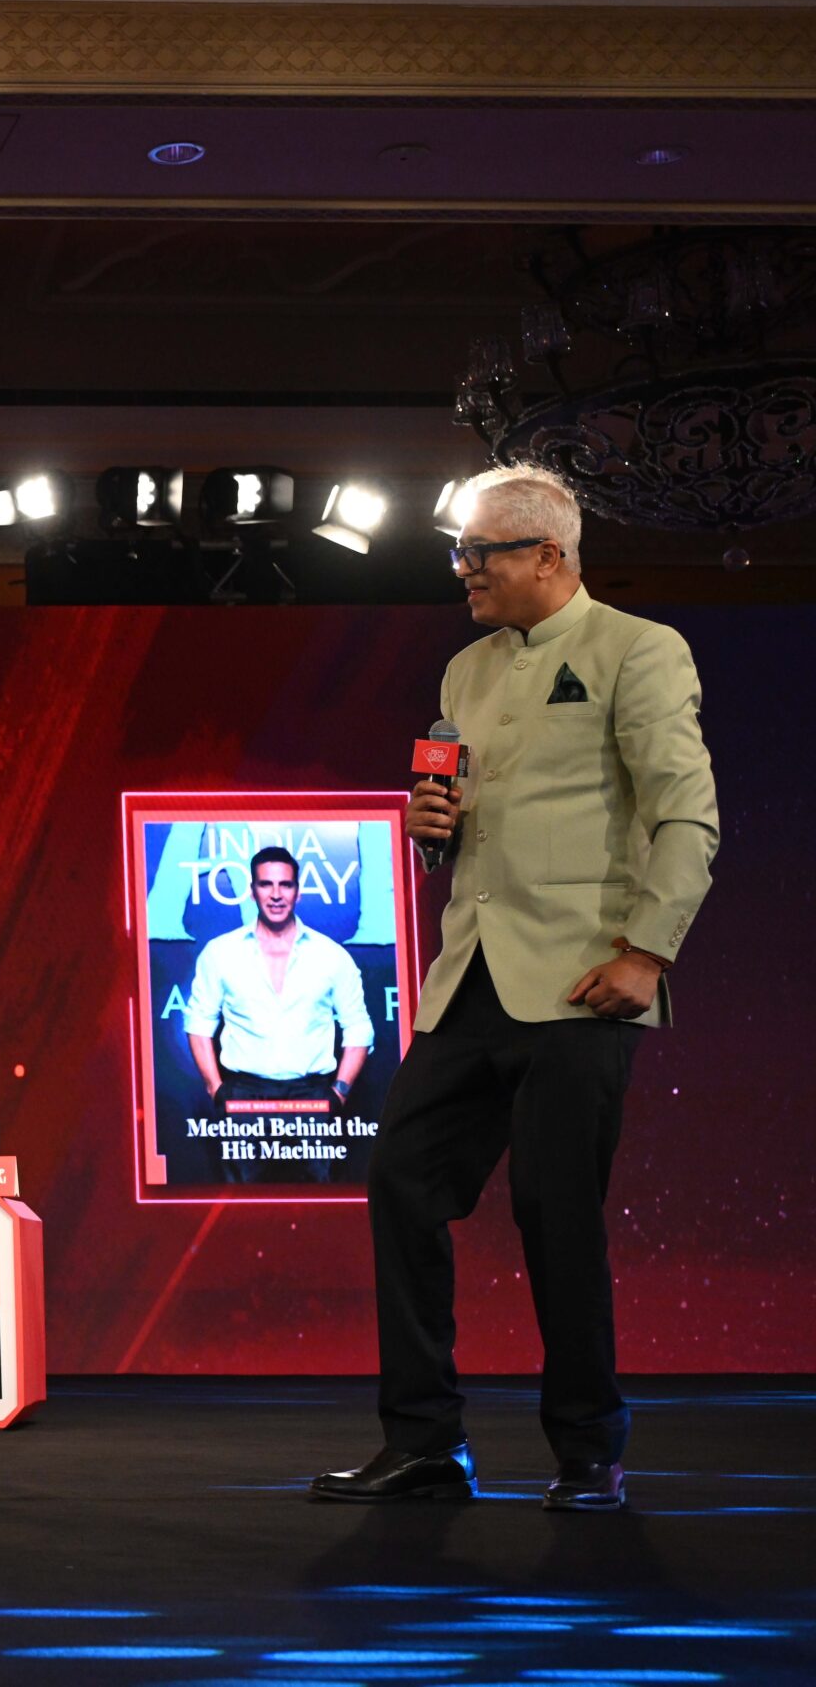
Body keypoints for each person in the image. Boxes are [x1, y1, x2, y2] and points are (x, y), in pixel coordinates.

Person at [312, 468, 718, 1513]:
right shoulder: (465, 669)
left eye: (479, 552)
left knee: (555, 1211)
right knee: (402, 1182)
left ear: (547, 555)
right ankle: (424, 1442)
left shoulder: (638, 649)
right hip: (472, 977)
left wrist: (648, 952)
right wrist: (431, 830)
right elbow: (462, 811)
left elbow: (685, 815)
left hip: (587, 979)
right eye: (459, 552)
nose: (462, 570)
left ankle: (589, 1450)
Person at [183, 846, 374, 1183]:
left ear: (297, 892)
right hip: (244, 1096)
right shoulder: (221, 953)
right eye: (266, 884)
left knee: (317, 1204)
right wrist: (216, 1089)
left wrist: (339, 1092)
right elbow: (198, 1023)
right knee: (241, 1205)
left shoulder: (331, 956)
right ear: (252, 890)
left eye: (285, 884)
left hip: (311, 1097)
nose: (275, 894)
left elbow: (359, 1028)